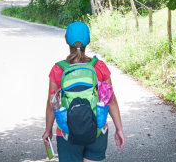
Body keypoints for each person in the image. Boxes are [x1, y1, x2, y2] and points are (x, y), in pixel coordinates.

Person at [42, 21, 125, 162]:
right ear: (89, 41)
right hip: (97, 129)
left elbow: (52, 104)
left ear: (66, 41)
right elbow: (110, 100)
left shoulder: (58, 69)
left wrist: (48, 130)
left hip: (67, 132)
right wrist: (119, 129)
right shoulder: (99, 67)